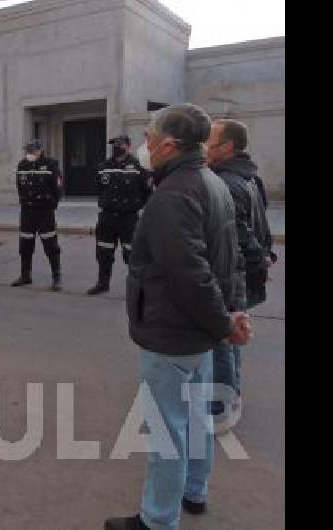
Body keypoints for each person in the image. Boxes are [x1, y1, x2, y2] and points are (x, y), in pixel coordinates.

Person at [105, 104, 252, 530]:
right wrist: (229, 315)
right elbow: (229, 259)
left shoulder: (175, 195)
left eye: (149, 141)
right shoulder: (212, 182)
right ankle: (194, 490)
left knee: (167, 430)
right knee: (196, 419)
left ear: (169, 144)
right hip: (200, 333)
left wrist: (226, 323)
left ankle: (157, 520)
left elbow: (191, 274)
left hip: (173, 334)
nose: (143, 148)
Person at [206, 119, 273, 429]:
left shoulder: (226, 183)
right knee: (234, 333)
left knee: (222, 336)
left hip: (231, 272)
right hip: (241, 272)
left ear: (227, 147)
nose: (205, 146)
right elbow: (261, 222)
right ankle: (232, 392)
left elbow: (239, 232)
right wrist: (266, 253)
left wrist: (258, 255)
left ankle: (219, 408)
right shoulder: (249, 177)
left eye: (211, 141)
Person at [87, 134, 151, 295]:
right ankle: (103, 283)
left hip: (128, 218)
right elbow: (98, 188)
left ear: (128, 146)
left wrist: (136, 205)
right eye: (114, 144)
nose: (116, 147)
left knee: (132, 254)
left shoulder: (138, 166)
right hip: (107, 217)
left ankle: (137, 288)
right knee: (103, 252)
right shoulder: (104, 166)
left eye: (120, 144)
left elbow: (147, 190)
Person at [12, 139, 63, 291]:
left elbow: (58, 187)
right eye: (27, 151)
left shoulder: (51, 164)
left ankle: (56, 277)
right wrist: (24, 201)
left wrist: (51, 205)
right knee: (25, 245)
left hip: (44, 212)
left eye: (31, 151)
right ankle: (25, 275)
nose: (29, 154)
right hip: (27, 212)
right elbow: (20, 186)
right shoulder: (22, 165)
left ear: (40, 150)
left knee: (50, 245)